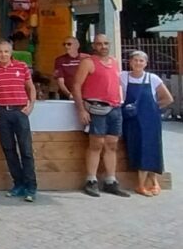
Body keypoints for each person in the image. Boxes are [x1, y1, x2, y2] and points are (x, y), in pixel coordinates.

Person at [0, 39, 38, 202]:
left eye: (6, 51)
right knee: (9, 150)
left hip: (19, 111)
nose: (3, 55)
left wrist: (31, 105)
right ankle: (18, 184)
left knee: (26, 150)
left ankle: (31, 187)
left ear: (11, 53)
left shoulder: (22, 67)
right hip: (1, 112)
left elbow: (31, 87)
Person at [72, 33, 130, 198]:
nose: (103, 46)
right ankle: (91, 179)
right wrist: (81, 109)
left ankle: (111, 180)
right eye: (99, 44)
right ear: (94, 45)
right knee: (96, 143)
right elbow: (76, 85)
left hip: (115, 107)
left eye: (105, 43)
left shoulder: (114, 62)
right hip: (97, 108)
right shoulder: (88, 62)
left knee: (112, 144)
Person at [120, 50, 174, 197]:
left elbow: (168, 99)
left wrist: (154, 109)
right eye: (135, 60)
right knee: (136, 148)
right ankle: (147, 183)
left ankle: (144, 184)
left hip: (150, 121)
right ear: (130, 62)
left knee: (151, 148)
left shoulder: (153, 78)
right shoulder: (123, 76)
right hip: (131, 121)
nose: (138, 63)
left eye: (141, 61)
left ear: (146, 63)